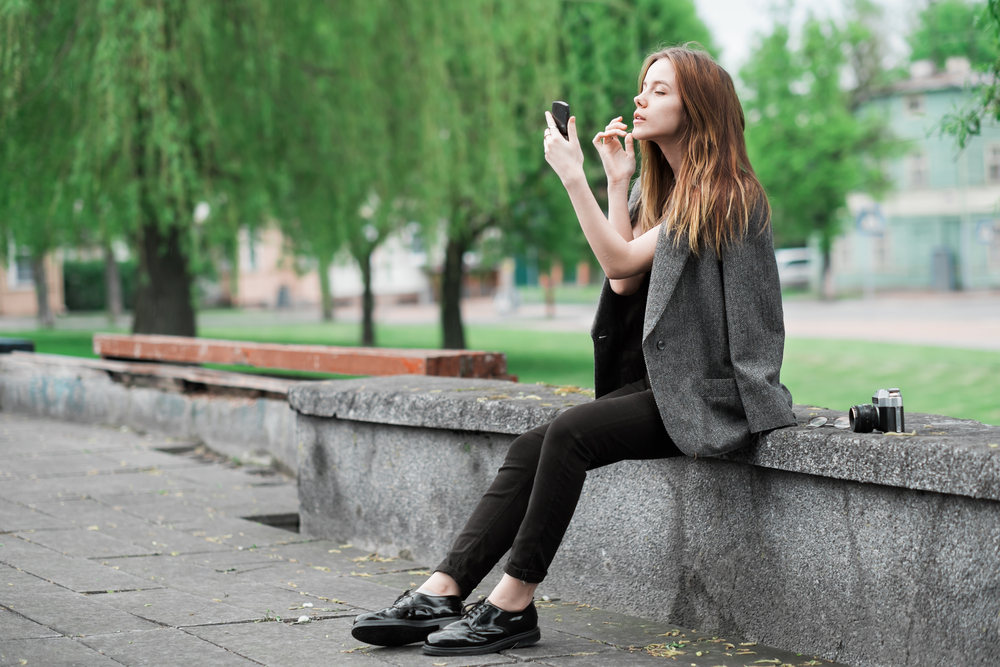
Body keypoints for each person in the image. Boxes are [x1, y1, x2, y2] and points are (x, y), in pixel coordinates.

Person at [350, 44, 796, 657]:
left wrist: (571, 176)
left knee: (570, 435)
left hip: (711, 397)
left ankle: (513, 602)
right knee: (536, 441)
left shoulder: (724, 193)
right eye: (644, 85)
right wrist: (618, 183)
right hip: (664, 388)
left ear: (700, 109)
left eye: (660, 90)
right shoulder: (667, 196)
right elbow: (624, 280)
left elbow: (616, 259)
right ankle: (443, 588)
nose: (640, 97)